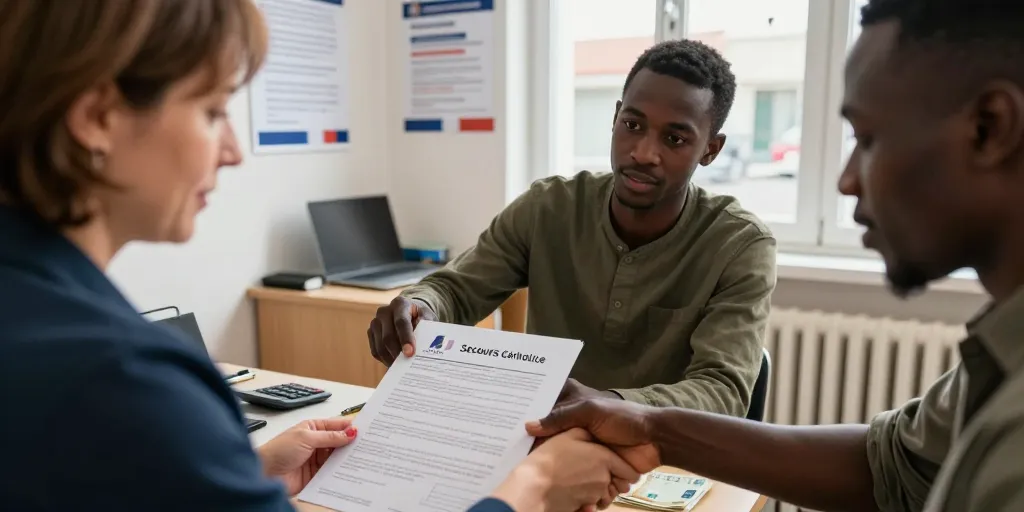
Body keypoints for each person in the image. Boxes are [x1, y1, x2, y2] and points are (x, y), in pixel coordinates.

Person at [0, 2, 636, 510]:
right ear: (98, 116)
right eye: (213, 109)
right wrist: (527, 494)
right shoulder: (130, 380)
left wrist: (240, 478)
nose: (231, 150)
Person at [524, 0, 1024, 511]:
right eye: (632, 125)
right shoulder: (1000, 354)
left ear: (989, 127)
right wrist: (650, 425)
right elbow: (890, 464)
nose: (847, 179)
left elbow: (725, 387)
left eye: (868, 139)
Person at [369, 40, 777, 416]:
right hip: (541, 439)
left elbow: (723, 391)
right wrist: (421, 305)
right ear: (616, 117)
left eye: (674, 138)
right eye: (633, 125)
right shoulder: (548, 207)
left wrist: (607, 404)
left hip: (661, 460)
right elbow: (456, 290)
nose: (643, 153)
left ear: (710, 149)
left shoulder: (740, 245)